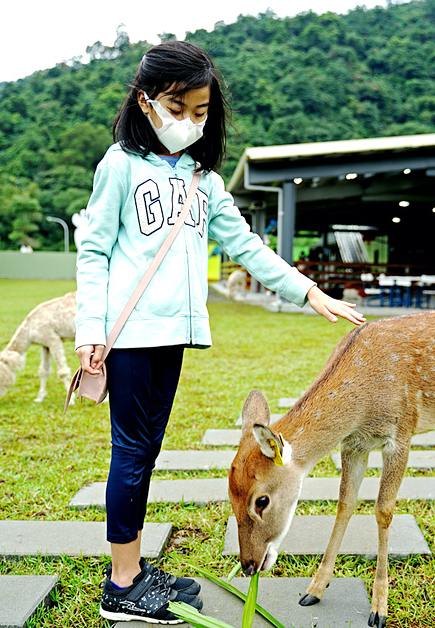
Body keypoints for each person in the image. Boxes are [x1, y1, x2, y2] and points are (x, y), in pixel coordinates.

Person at [74, 40, 364, 624]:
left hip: (172, 336)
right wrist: (90, 332)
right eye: (178, 110)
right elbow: (95, 250)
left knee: (146, 452)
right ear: (146, 102)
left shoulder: (203, 179)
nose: (189, 123)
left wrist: (306, 290)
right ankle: (123, 585)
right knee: (131, 455)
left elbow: (245, 245)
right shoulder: (120, 165)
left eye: (201, 114)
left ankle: (130, 569)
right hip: (128, 337)